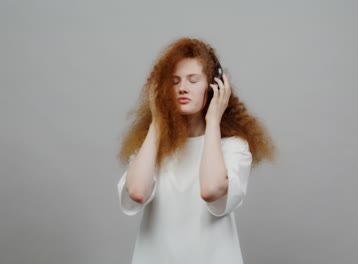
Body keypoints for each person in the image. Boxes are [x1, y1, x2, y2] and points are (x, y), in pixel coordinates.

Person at [116, 37, 276, 264]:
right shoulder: (152, 148)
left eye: (193, 80)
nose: (182, 88)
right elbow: (137, 192)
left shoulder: (233, 148)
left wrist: (213, 121)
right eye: (174, 81)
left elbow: (211, 190)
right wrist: (157, 122)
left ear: (213, 87)